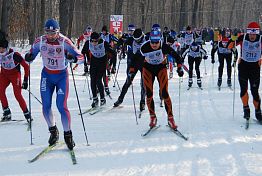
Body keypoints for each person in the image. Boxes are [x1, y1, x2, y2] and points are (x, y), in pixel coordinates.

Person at [25, 18, 84, 150]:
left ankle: (68, 135)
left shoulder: (65, 41)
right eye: (48, 33)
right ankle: (53, 131)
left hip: (61, 76)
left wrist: (73, 58)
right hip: (47, 75)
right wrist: (29, 57)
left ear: (58, 32)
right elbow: (31, 54)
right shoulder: (40, 41)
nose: (50, 36)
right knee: (46, 106)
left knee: (61, 106)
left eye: (53, 33)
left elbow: (81, 58)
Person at [140, 30, 184, 129]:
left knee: (164, 93)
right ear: (149, 40)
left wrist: (179, 67)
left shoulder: (164, 46)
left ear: (160, 40)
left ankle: (170, 118)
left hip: (161, 68)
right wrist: (132, 70)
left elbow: (177, 56)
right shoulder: (144, 47)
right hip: (148, 69)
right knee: (149, 94)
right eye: (152, 42)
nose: (154, 44)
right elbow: (136, 60)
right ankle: (152, 117)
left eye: (156, 42)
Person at [228, 22, 262, 122]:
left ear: (257, 33)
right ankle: (246, 108)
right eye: (250, 34)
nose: (252, 36)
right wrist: (233, 37)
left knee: (254, 91)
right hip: (243, 66)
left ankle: (258, 111)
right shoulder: (242, 37)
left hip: (255, 68)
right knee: (244, 89)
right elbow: (229, 47)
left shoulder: (260, 39)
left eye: (254, 34)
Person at [0, 32, 31, 122]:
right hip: (4, 75)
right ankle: (7, 113)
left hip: (15, 75)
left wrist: (25, 80)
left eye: (2, 49)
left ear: (6, 48)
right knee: (0, 91)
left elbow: (26, 66)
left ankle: (26, 113)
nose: (0, 51)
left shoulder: (14, 55)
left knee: (17, 94)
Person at [113, 28, 146, 111]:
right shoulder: (131, 39)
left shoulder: (147, 39)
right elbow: (122, 41)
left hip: (144, 64)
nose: (137, 41)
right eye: (135, 39)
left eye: (138, 39)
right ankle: (120, 99)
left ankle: (142, 102)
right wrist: (118, 46)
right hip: (134, 63)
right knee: (128, 81)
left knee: (143, 84)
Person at [82, 32, 116, 108]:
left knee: (98, 80)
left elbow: (114, 53)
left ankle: (102, 99)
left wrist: (113, 66)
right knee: (92, 80)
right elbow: (82, 53)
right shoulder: (88, 43)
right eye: (92, 41)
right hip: (94, 61)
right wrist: (85, 65)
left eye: (96, 41)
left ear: (99, 39)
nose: (94, 43)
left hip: (102, 62)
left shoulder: (104, 44)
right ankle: (95, 99)